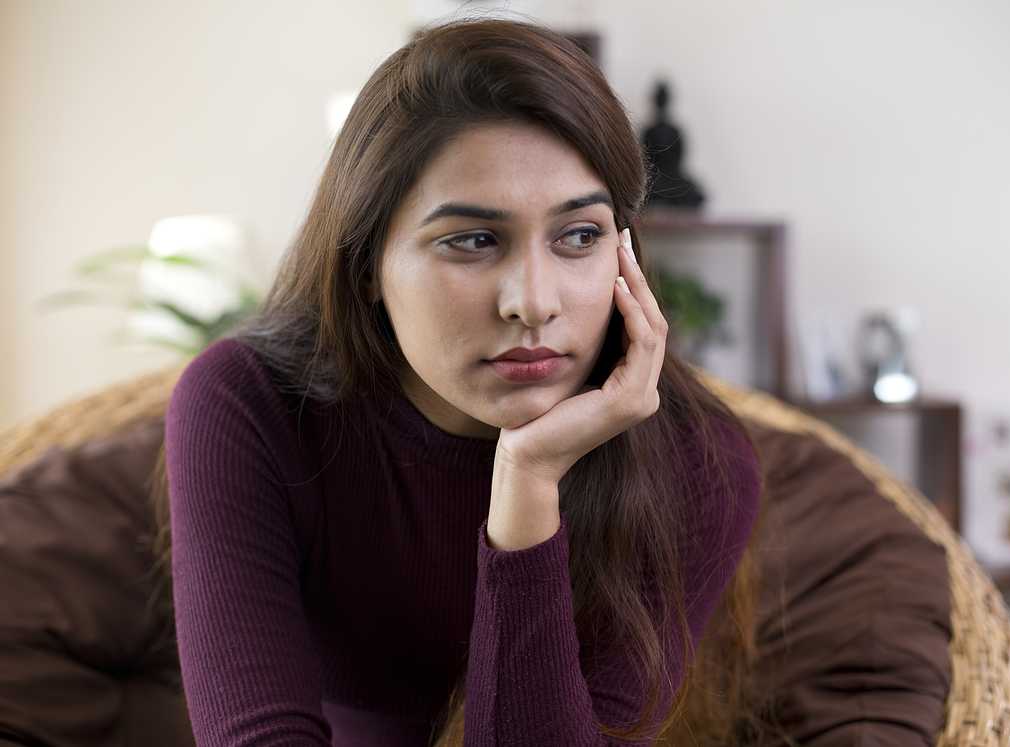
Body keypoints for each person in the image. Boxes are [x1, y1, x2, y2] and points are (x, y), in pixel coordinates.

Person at [154, 15, 765, 747]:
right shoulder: (248, 406)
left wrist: (528, 481)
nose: (533, 301)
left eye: (579, 236)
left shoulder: (697, 457)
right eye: (473, 240)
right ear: (367, 266)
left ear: (625, 255)